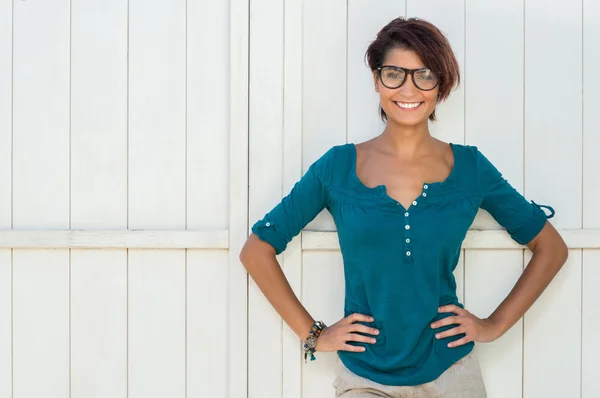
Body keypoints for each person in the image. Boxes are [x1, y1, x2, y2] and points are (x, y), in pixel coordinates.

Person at [239, 17, 568, 397]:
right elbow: (256, 250)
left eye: (424, 74)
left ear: (441, 85)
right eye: (394, 73)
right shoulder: (337, 167)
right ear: (377, 80)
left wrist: (493, 325)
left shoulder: (471, 169)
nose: (408, 88)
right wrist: (314, 333)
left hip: (452, 372)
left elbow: (551, 248)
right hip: (364, 377)